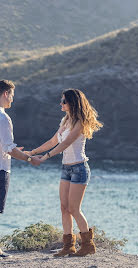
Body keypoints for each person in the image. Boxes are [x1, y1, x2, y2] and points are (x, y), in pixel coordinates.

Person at [24, 88, 103, 257]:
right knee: (64, 208)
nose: (61, 103)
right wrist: (32, 152)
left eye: (64, 101)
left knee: (74, 208)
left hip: (79, 168)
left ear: (72, 103)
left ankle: (88, 245)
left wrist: (44, 158)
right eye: (61, 101)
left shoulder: (80, 122)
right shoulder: (65, 120)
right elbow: (54, 141)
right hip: (66, 168)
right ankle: (69, 246)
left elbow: (66, 143)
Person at [0, 80, 42, 261]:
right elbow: (9, 149)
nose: (13, 99)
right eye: (12, 95)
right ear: (5, 94)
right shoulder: (3, 117)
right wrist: (29, 158)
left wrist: (17, 151)